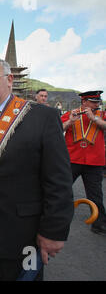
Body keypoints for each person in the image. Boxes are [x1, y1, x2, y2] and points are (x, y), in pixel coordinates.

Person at [0, 57, 74, 281]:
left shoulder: (42, 117)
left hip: (22, 233)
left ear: (9, 80)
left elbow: (58, 180)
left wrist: (54, 231)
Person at [61, 91, 106, 235]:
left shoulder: (101, 114)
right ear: (84, 102)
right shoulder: (71, 113)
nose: (97, 104)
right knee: (61, 190)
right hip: (72, 159)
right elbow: (57, 128)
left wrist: (94, 118)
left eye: (98, 101)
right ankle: (56, 218)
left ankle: (99, 223)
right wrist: (70, 122)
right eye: (93, 101)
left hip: (94, 162)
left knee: (96, 195)